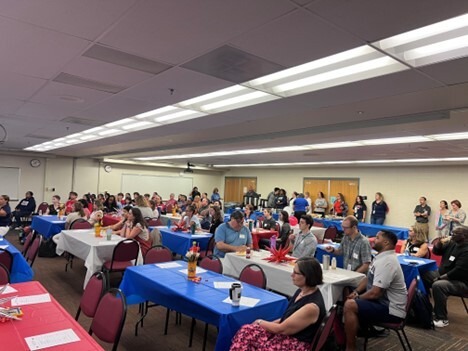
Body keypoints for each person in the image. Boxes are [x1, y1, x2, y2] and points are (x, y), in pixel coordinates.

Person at [230, 257, 326, 351]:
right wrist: (262, 325)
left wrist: (260, 322)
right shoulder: (301, 291)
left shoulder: (311, 307)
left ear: (308, 276)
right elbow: (286, 319)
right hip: (286, 336)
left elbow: (281, 329)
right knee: (247, 331)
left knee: (248, 336)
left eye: (296, 273)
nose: (292, 275)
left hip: (295, 344)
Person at [344, 230, 407, 351]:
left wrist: (357, 298)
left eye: (377, 238)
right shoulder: (381, 257)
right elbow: (368, 278)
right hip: (382, 303)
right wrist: (356, 292)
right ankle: (350, 332)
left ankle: (350, 347)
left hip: (392, 310)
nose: (373, 239)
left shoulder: (387, 262)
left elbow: (375, 293)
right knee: (347, 290)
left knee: (350, 305)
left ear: (386, 242)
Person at [422, 226, 468, 327]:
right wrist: (439, 243)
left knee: (439, 285)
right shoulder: (452, 243)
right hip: (443, 275)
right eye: (452, 233)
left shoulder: (466, 250)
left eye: (455, 234)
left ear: (464, 237)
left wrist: (439, 278)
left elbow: (458, 271)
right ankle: (425, 308)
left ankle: (442, 318)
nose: (451, 235)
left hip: (461, 282)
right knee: (423, 275)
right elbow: (436, 252)